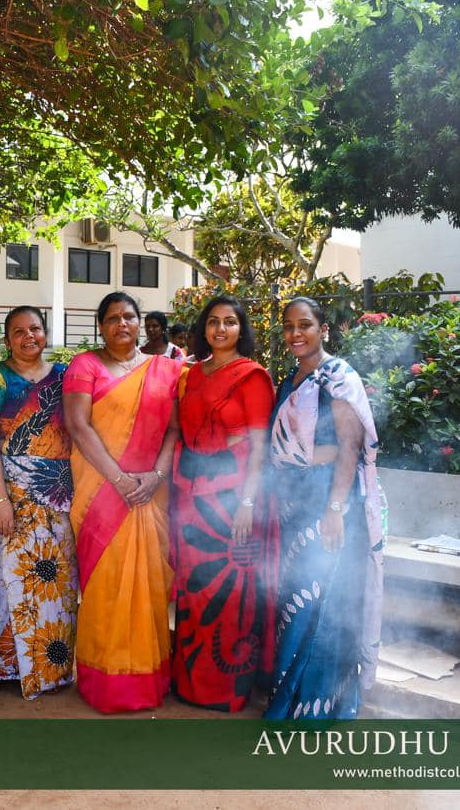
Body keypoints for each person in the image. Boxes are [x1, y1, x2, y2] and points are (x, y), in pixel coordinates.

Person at [265, 297, 384, 720]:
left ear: (323, 329)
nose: (296, 333)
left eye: (305, 325)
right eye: (289, 326)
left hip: (329, 504)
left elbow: (349, 448)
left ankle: (316, 708)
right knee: (297, 602)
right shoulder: (291, 378)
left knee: (324, 603)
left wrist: (334, 510)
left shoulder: (338, 377)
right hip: (295, 506)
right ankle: (289, 701)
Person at [62, 292, 182, 713]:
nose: (121, 324)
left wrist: (156, 477)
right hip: (102, 494)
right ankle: (106, 681)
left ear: (140, 322)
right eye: (112, 318)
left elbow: (173, 429)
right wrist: (120, 480)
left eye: (129, 316)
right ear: (101, 325)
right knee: (106, 587)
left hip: (150, 492)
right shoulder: (85, 365)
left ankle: (146, 679)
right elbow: (78, 425)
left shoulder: (165, 369)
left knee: (147, 589)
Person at [170, 296, 278, 711]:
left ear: (241, 329)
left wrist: (248, 502)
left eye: (230, 322)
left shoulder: (252, 376)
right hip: (192, 500)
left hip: (234, 501)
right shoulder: (191, 375)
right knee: (193, 591)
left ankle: (225, 692)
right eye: (213, 321)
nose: (220, 329)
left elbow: (259, 445)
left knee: (230, 594)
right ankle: (190, 684)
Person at [0, 306, 77, 699]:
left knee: (56, 579)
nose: (28, 337)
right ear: (6, 340)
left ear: (45, 333)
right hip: (11, 490)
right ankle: (0, 667)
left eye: (34, 329)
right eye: (18, 331)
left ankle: (53, 668)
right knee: (6, 577)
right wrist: (0, 499)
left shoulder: (65, 375)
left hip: (57, 491)